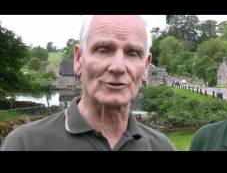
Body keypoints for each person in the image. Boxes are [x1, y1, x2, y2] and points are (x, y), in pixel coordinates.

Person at [1, 15, 176, 151]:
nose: (118, 67)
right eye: (103, 49)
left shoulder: (163, 147)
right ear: (78, 59)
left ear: (146, 66)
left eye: (133, 52)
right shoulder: (26, 144)